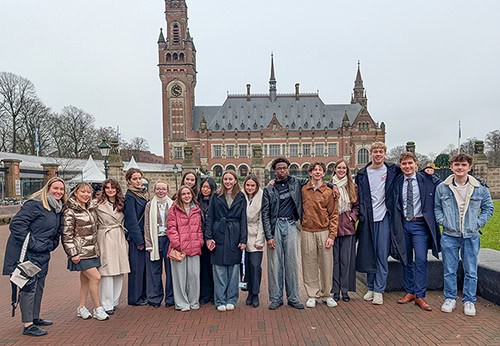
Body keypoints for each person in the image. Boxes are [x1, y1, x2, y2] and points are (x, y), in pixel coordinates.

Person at [3, 177, 66, 337]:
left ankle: (34, 317)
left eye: (61, 189)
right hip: (27, 254)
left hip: (42, 254)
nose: (59, 192)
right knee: (28, 287)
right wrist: (34, 244)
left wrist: (52, 244)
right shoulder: (35, 205)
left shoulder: (56, 209)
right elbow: (16, 225)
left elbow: (55, 232)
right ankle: (28, 324)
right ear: (47, 189)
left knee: (39, 286)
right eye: (55, 188)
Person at [435, 153, 494, 317]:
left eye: (463, 165)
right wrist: (443, 221)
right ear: (451, 167)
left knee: (471, 270)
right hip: (449, 234)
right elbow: (437, 208)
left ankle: (469, 300)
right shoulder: (442, 187)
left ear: (469, 167)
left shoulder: (480, 188)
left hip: (471, 235)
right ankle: (450, 298)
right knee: (449, 269)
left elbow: (488, 208)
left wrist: (478, 223)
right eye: (456, 165)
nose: (460, 168)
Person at [355, 142, 404, 305]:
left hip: (384, 218)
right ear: (371, 154)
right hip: (367, 219)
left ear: (384, 153)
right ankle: (370, 287)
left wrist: (428, 170)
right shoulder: (362, 174)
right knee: (369, 254)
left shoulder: (392, 170)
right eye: (375, 151)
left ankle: (379, 290)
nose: (378, 154)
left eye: (381, 152)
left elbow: (411, 171)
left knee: (381, 254)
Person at [392, 152, 441, 311]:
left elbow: (445, 184)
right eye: (404, 164)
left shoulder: (426, 179)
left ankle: (420, 295)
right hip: (403, 225)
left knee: (420, 260)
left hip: (420, 225)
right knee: (406, 259)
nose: (407, 166)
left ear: (416, 164)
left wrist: (432, 171)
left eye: (410, 163)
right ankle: (409, 291)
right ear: (401, 166)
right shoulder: (398, 181)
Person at [262, 157, 307, 310]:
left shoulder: (296, 182)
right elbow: (265, 213)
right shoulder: (269, 189)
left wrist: (331, 185)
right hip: (275, 227)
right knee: (275, 264)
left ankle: (293, 298)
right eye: (279, 168)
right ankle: (276, 298)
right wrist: (269, 236)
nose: (282, 171)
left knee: (292, 262)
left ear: (288, 169)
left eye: (284, 168)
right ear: (274, 170)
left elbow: (315, 180)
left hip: (290, 224)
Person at [63, 182, 109, 321]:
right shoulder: (70, 211)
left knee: (85, 281)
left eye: (88, 192)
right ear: (75, 193)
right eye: (82, 192)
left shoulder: (91, 208)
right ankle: (98, 308)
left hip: (93, 250)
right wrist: (73, 253)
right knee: (96, 277)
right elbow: (67, 234)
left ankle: (81, 307)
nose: (86, 195)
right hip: (80, 252)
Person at [205, 170, 248, 312]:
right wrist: (209, 237)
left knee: (234, 269)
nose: (228, 181)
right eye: (225, 179)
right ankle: (220, 299)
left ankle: (231, 298)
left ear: (235, 180)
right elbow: (210, 216)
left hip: (234, 233)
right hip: (219, 232)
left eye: (230, 179)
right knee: (219, 269)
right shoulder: (216, 196)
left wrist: (243, 239)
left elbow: (243, 219)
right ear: (222, 180)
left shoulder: (241, 196)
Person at [301, 162, 338, 308]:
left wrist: (332, 235)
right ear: (310, 173)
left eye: (320, 170)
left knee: (326, 264)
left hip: (324, 231)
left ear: (324, 173)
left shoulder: (328, 192)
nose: (317, 172)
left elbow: (334, 214)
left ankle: (327, 294)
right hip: (307, 231)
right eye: (314, 170)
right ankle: (312, 294)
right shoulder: (304, 189)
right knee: (309, 264)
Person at [95, 179, 130, 315]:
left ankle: (115, 300)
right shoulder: (97, 204)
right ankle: (106, 303)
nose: (110, 190)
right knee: (107, 271)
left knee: (119, 270)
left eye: (113, 188)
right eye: (107, 188)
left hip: (119, 236)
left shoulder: (121, 203)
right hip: (105, 236)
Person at [166, 185, 204, 311]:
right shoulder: (174, 209)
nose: (187, 196)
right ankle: (182, 303)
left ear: (192, 195)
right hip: (179, 249)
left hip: (194, 247)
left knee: (194, 276)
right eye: (184, 194)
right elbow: (171, 228)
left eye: (189, 193)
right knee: (179, 277)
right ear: (179, 196)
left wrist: (199, 242)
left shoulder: (197, 209)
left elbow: (199, 228)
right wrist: (178, 244)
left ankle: (194, 301)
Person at [331, 159, 359, 303]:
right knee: (334, 261)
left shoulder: (352, 186)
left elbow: (357, 206)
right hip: (333, 227)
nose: (341, 170)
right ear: (334, 169)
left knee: (346, 261)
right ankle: (335, 290)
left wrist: (351, 217)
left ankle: (345, 290)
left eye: (344, 168)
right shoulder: (330, 186)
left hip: (347, 227)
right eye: (339, 168)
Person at [144, 181, 175, 307]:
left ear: (167, 190)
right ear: (154, 190)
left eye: (163, 189)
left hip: (168, 239)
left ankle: (170, 298)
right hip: (155, 239)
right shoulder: (149, 205)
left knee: (170, 270)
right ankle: (155, 298)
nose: (160, 191)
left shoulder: (172, 204)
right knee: (154, 270)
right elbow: (146, 224)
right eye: (158, 189)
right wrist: (148, 243)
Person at [124, 168, 149, 306]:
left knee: (144, 269)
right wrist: (139, 240)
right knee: (136, 269)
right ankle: (135, 298)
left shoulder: (142, 194)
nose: (138, 181)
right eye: (135, 179)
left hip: (145, 236)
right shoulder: (130, 197)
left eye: (139, 178)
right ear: (129, 181)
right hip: (137, 239)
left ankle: (143, 295)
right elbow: (131, 221)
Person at [242, 174, 265, 308]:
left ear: (256, 186)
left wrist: (260, 240)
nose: (250, 188)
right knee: (246, 266)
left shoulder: (262, 196)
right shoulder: (240, 196)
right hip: (243, 234)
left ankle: (255, 293)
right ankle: (249, 292)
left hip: (256, 234)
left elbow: (263, 220)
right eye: (248, 185)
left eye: (252, 185)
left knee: (255, 266)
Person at [197, 177, 217, 304]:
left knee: (213, 267)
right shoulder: (196, 201)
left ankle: (214, 294)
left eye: (208, 187)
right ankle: (204, 294)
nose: (205, 189)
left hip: (212, 238)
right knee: (203, 268)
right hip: (200, 239)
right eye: (203, 187)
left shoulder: (216, 201)